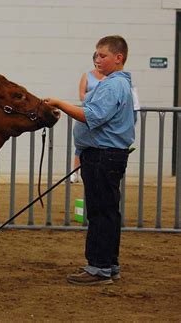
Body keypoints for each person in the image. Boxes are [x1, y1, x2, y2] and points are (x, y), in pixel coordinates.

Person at [45, 35, 136, 285]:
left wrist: (59, 103)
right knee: (106, 212)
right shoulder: (113, 84)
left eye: (103, 55)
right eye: (95, 55)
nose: (97, 60)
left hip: (103, 155)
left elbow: (92, 116)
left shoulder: (113, 85)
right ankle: (108, 264)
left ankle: (98, 268)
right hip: (104, 154)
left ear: (118, 58)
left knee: (100, 213)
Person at [71, 52, 105, 183]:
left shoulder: (110, 78)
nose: (98, 61)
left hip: (102, 114)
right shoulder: (87, 75)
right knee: (81, 145)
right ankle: (75, 172)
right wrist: (96, 97)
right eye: (97, 59)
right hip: (88, 111)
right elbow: (82, 95)